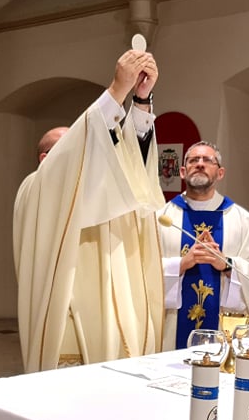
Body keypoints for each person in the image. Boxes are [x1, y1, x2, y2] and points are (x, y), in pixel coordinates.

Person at [13, 49, 166, 372]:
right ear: (46, 160)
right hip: (70, 320)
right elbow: (78, 150)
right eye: (74, 149)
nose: (87, 155)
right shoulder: (36, 189)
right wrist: (116, 90)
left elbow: (134, 174)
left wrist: (140, 103)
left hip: (118, 319)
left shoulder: (106, 191)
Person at [158, 141, 249, 350]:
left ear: (220, 173)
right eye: (194, 160)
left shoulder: (241, 219)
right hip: (169, 329)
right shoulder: (162, 217)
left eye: (207, 160)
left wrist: (228, 264)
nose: (200, 164)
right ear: (183, 172)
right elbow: (139, 271)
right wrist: (180, 265)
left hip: (223, 329)